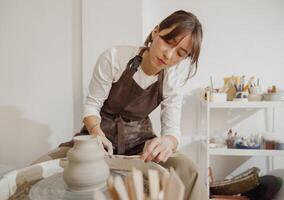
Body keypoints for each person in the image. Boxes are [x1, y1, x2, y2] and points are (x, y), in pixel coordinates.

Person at [34, 10, 208, 199]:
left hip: (139, 145)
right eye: (168, 41)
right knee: (37, 170)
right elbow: (92, 105)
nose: (168, 54)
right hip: (98, 138)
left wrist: (167, 142)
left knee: (188, 171)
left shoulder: (172, 82)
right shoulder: (115, 57)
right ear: (156, 31)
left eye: (180, 53)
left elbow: (172, 131)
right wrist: (95, 133)